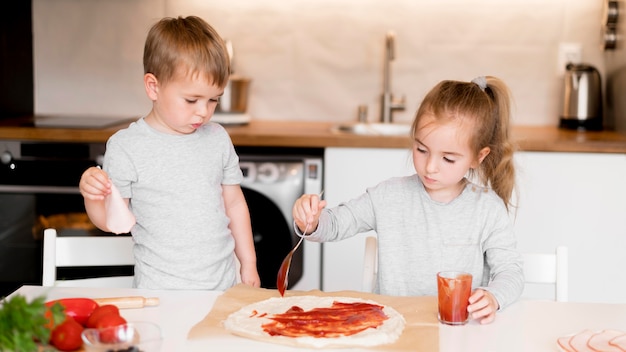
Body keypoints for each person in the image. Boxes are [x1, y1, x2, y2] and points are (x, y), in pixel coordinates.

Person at [292, 76, 524, 324]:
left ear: (479, 157)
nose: (430, 167)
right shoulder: (389, 196)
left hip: (458, 332)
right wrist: (311, 221)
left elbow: (510, 272)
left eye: (448, 158)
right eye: (421, 150)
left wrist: (493, 296)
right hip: (396, 328)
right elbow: (336, 224)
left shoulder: (487, 209)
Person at [79, 16, 261, 290]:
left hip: (222, 287)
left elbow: (234, 204)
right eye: (191, 100)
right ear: (154, 87)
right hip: (160, 291)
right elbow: (112, 222)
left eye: (213, 100)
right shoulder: (127, 147)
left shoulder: (217, 139)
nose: (203, 111)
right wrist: (93, 196)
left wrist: (248, 263)